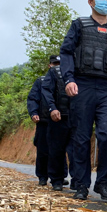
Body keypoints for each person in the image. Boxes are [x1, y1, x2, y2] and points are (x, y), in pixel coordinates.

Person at [59, 0, 107, 201]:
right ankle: (81, 184)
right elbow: (66, 52)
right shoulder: (79, 25)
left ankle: (104, 183)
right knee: (81, 137)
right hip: (83, 86)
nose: (104, 1)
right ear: (91, 1)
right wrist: (69, 79)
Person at [41, 55, 75, 192]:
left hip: (74, 117)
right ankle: (56, 180)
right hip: (58, 118)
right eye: (55, 63)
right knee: (56, 150)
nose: (58, 64)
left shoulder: (76, 71)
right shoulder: (54, 73)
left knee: (76, 151)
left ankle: (77, 180)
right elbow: (46, 91)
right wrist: (52, 108)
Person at [27, 74, 49, 186]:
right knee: (42, 150)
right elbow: (33, 98)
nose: (56, 67)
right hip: (43, 120)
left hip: (60, 120)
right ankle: (42, 177)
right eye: (54, 64)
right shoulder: (41, 81)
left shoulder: (66, 79)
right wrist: (34, 113)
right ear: (49, 65)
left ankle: (59, 177)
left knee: (59, 150)